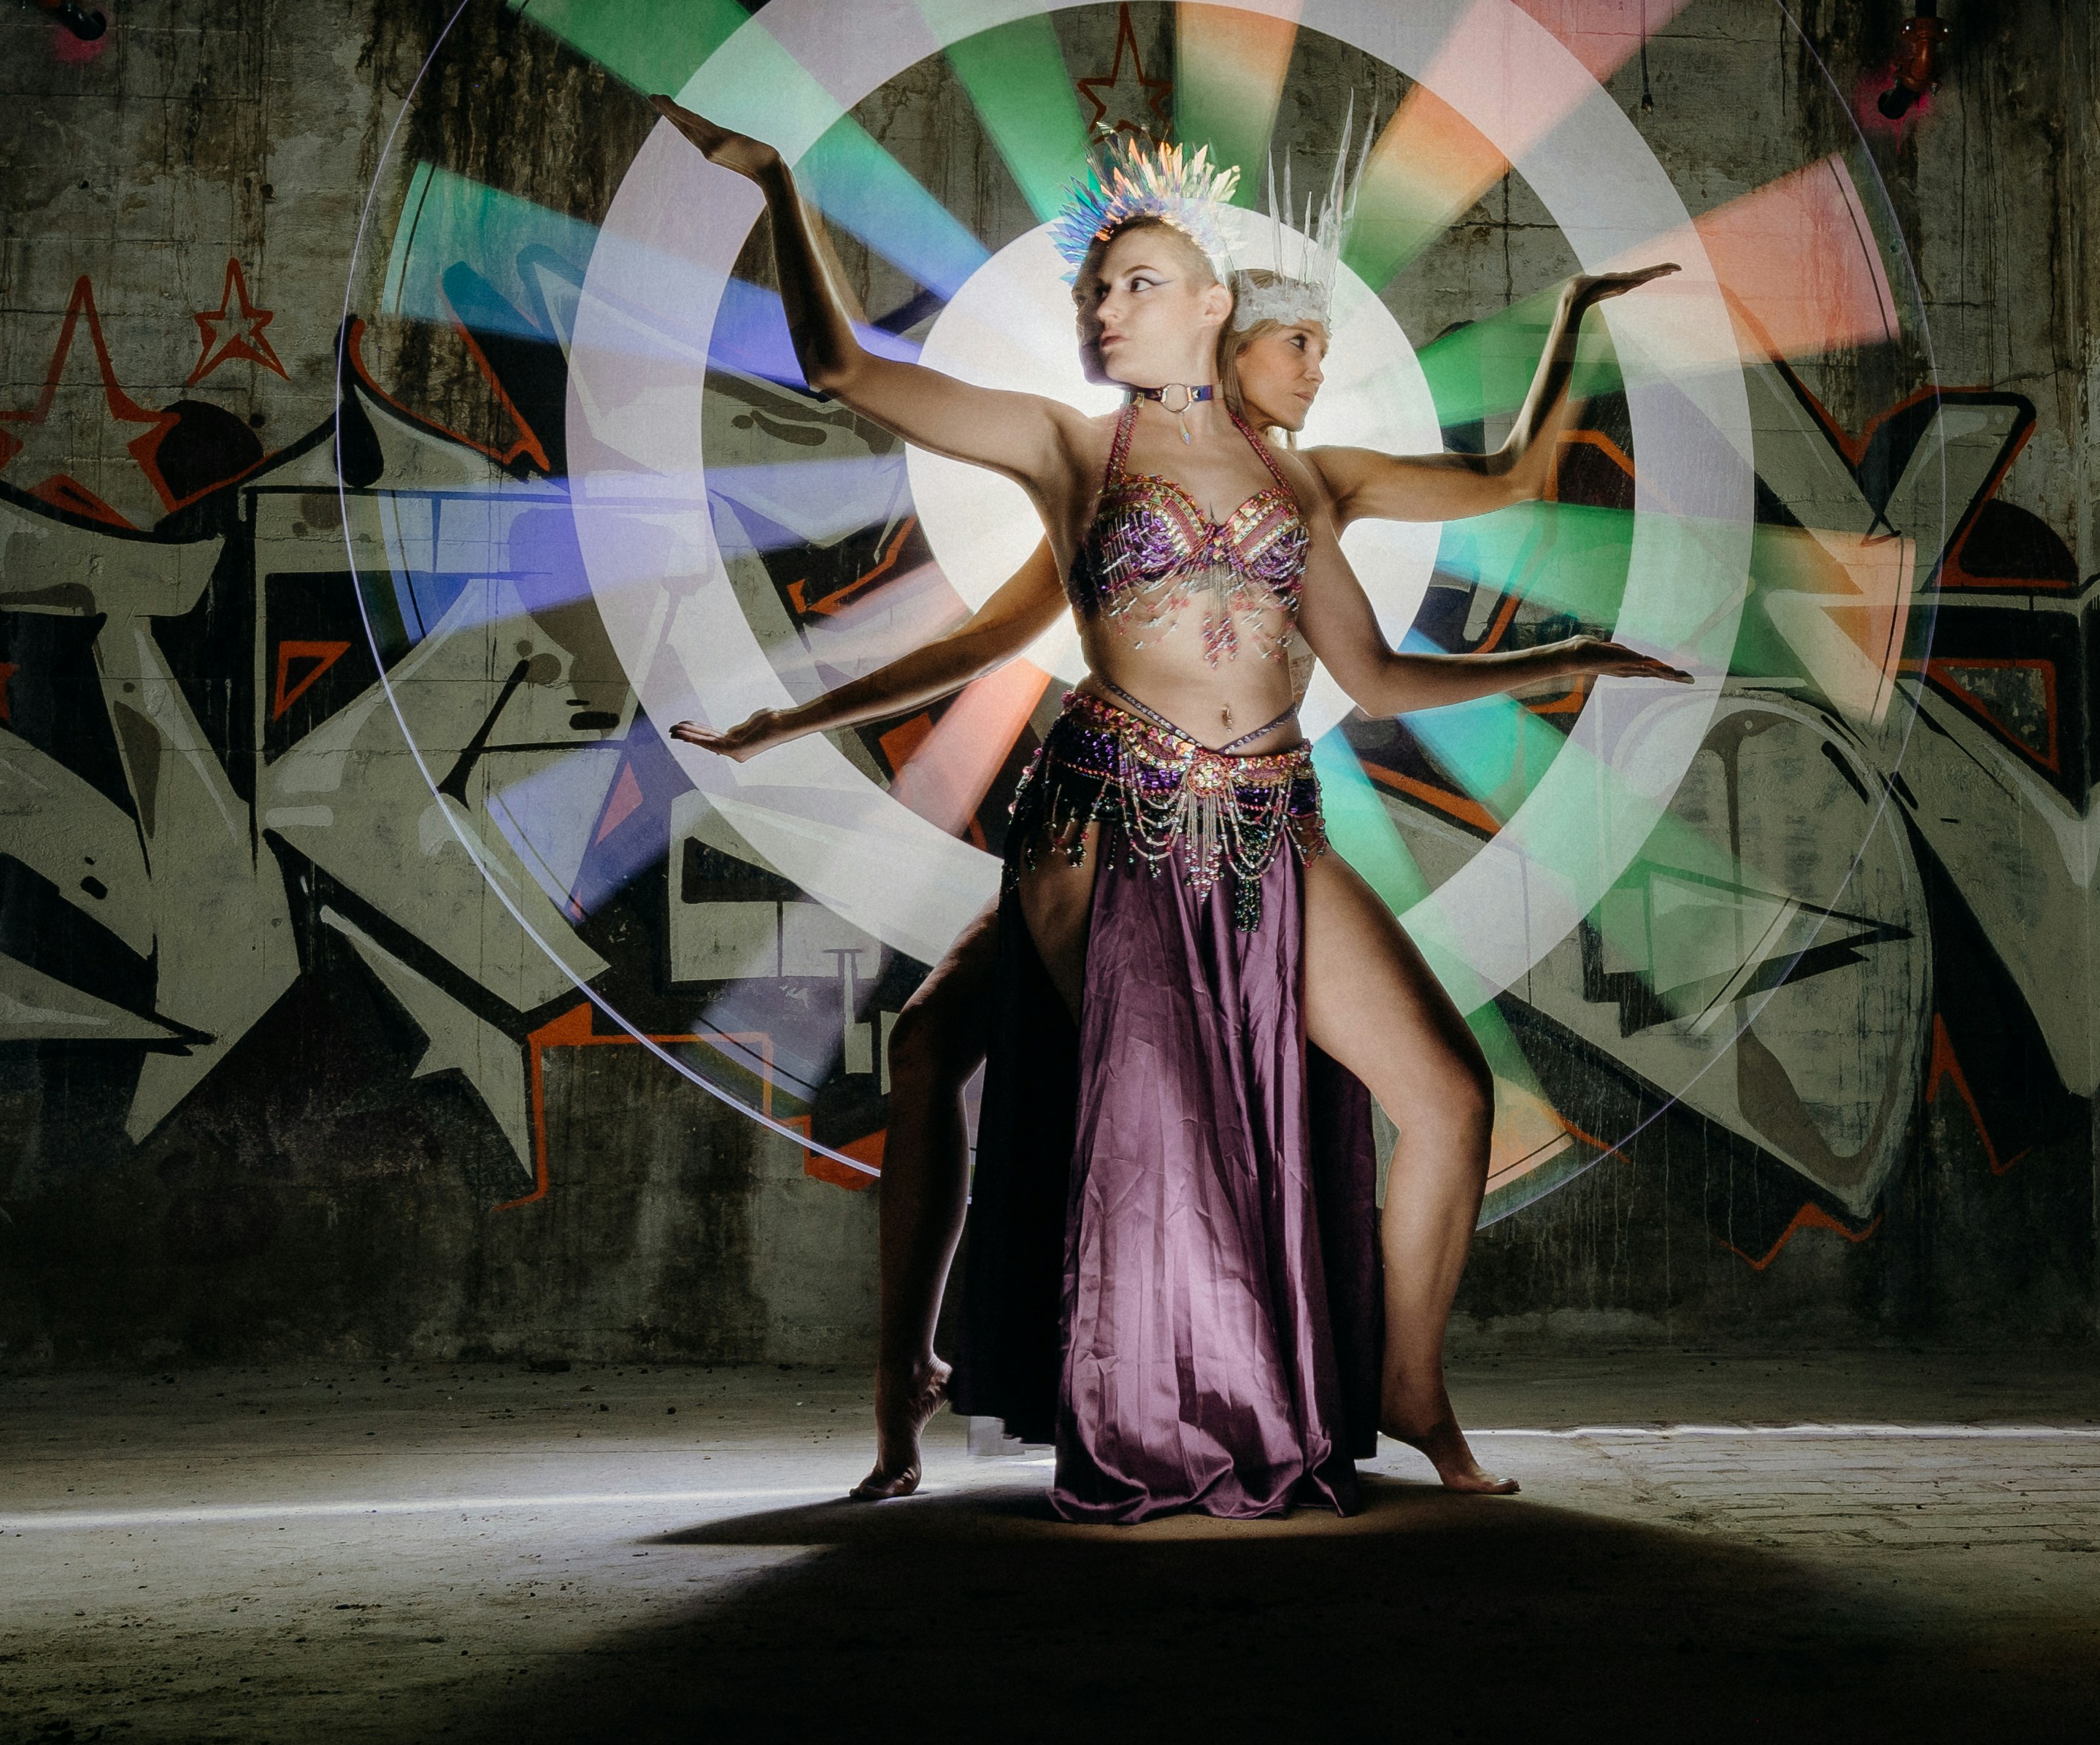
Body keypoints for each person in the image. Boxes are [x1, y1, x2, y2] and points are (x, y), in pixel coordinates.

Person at [654, 98, 1685, 1522]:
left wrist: (1571, 351)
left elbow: (1403, 630)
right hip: (1108, 816)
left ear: (1215, 304)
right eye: (1091, 287)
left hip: (1266, 821)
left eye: (1136, 280)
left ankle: (1403, 1387)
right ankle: (963, 1398)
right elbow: (842, 364)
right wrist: (774, 180)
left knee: (1444, 1095)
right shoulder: (1067, 453)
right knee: (1122, 1105)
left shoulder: (1298, 478)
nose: (1101, 305)